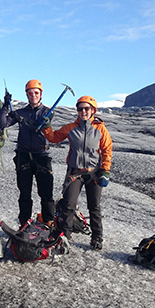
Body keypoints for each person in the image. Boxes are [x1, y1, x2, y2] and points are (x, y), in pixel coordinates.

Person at [43, 95, 112, 250]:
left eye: (86, 108)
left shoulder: (100, 128)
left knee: (94, 206)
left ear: (93, 110)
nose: (83, 111)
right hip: (75, 172)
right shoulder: (71, 127)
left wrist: (105, 170)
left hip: (94, 172)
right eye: (80, 108)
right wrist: (46, 127)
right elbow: (54, 138)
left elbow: (107, 149)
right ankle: (64, 238)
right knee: (68, 205)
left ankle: (97, 238)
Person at [0, 79, 55, 227]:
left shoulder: (47, 112)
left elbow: (37, 128)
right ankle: (24, 223)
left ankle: (49, 222)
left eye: (36, 93)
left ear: (41, 94)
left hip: (41, 155)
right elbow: (2, 124)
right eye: (30, 93)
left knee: (46, 193)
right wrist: (5, 106)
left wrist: (21, 120)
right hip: (23, 156)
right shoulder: (20, 111)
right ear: (26, 95)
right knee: (24, 194)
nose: (33, 95)